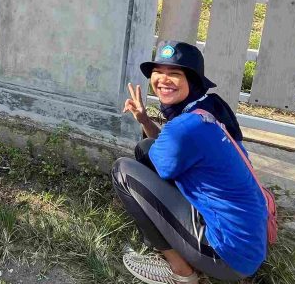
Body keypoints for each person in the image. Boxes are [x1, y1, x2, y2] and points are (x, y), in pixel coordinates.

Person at [112, 40, 267, 284]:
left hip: (226, 257)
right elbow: (166, 150)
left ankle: (180, 271)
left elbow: (163, 160)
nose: (163, 80)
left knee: (123, 171)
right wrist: (143, 119)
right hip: (247, 247)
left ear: (192, 82)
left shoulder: (186, 126)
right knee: (146, 148)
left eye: (174, 74)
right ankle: (184, 247)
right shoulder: (208, 112)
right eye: (158, 72)